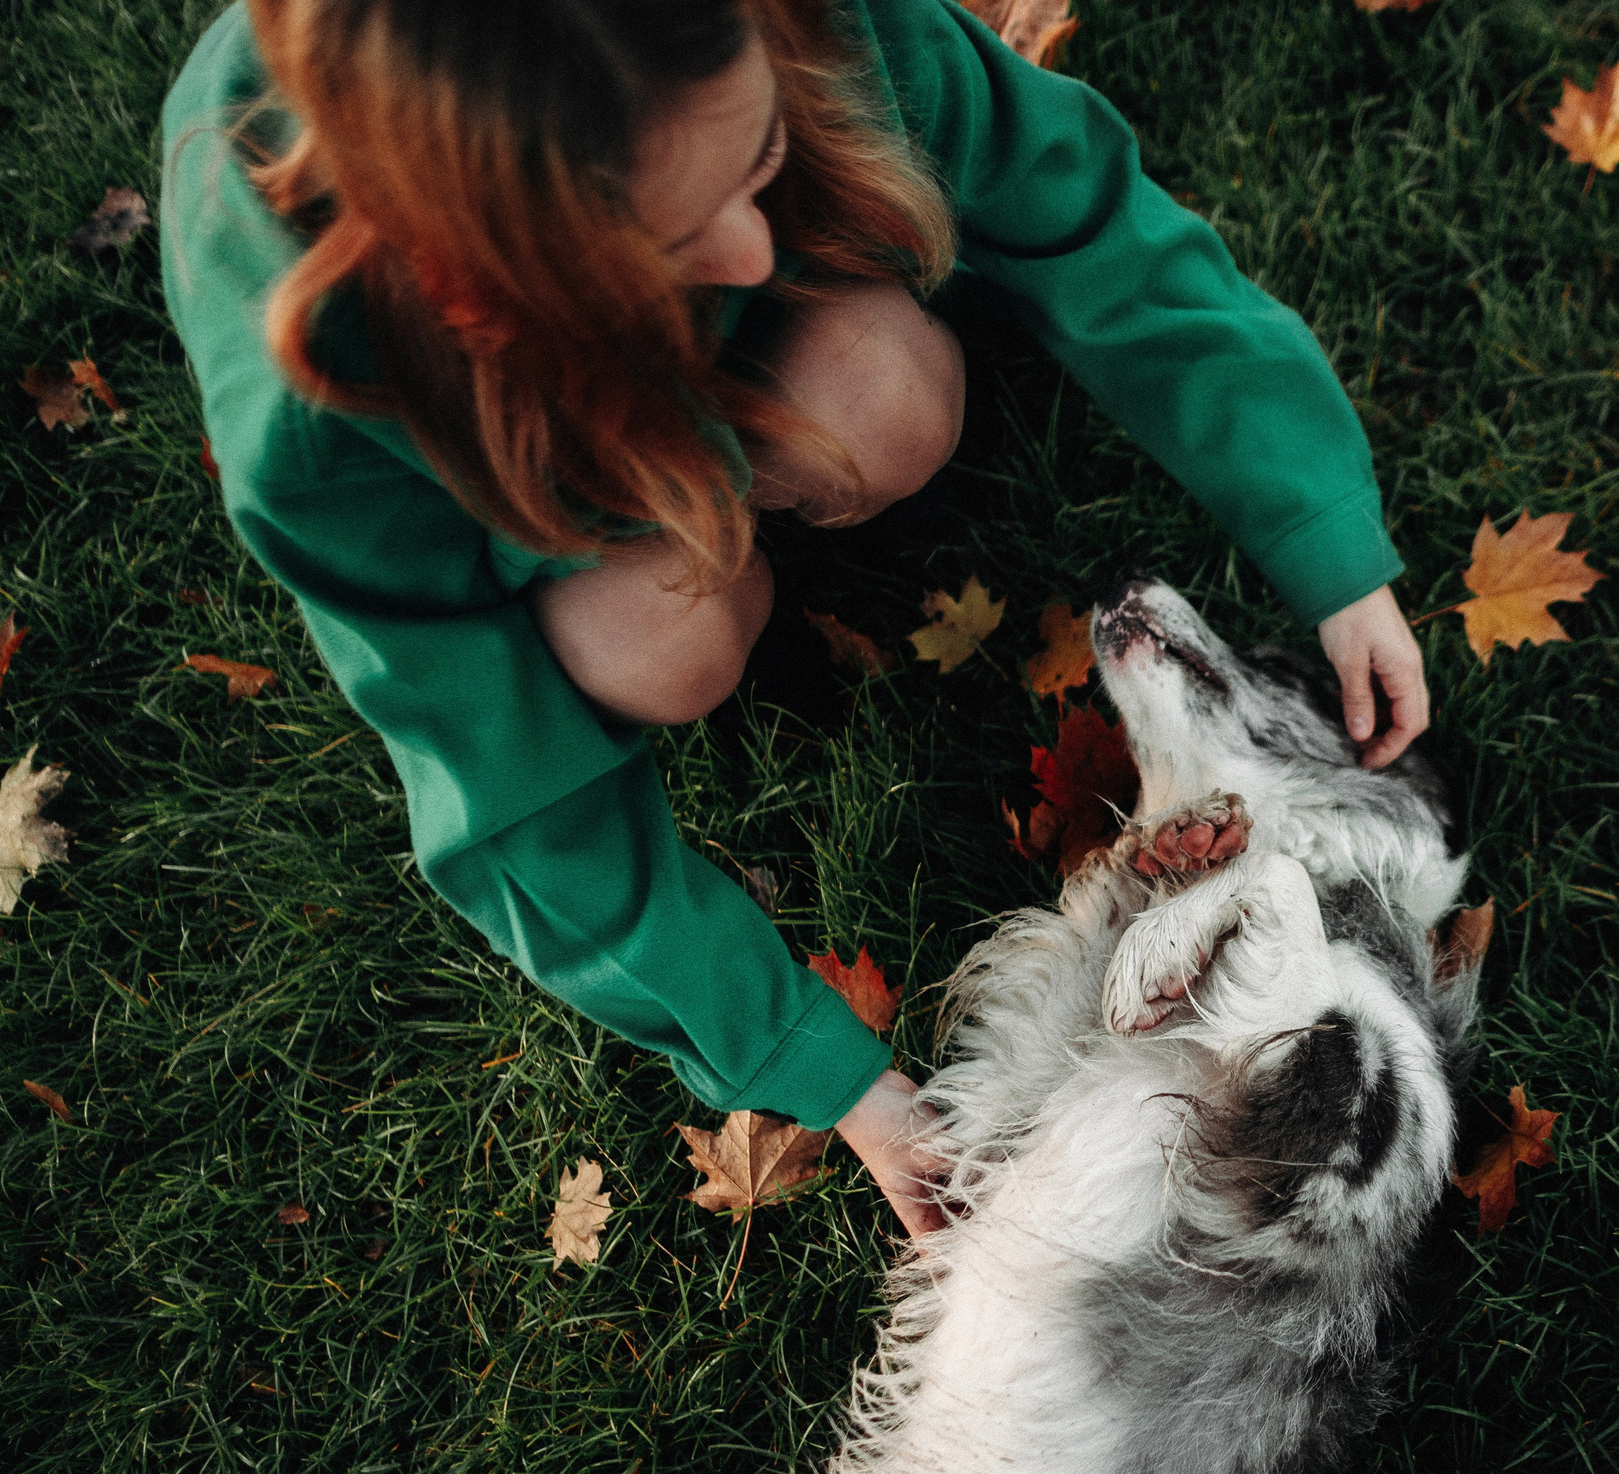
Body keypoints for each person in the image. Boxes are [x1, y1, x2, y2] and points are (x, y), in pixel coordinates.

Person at [158, 0, 1430, 1237]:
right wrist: (823, 1071)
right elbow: (516, 804)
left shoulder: (812, 22)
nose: (752, 255)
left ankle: (747, 389)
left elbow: (1095, 222)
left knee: (891, 397)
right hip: (543, 422)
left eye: (758, 156)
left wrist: (1319, 529)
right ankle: (667, 504)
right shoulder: (327, 417)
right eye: (671, 241)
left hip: (671, 336)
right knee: (662, 643)